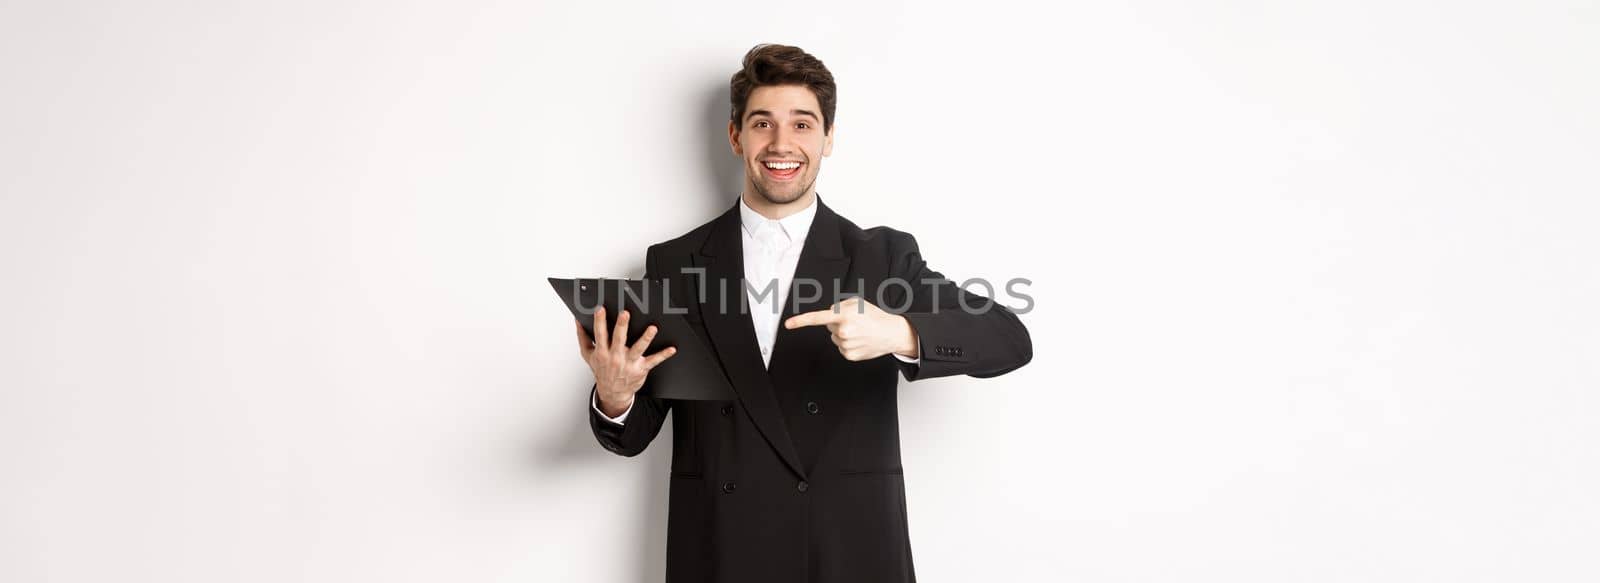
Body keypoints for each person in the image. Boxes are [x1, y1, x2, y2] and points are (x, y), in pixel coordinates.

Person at [574, 43, 1033, 583]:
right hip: (722, 549)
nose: (782, 144)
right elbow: (633, 433)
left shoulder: (880, 257)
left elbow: (1009, 338)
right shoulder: (674, 263)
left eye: (803, 124)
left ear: (829, 138)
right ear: (735, 136)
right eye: (763, 123)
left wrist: (900, 331)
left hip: (848, 551)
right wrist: (616, 395)